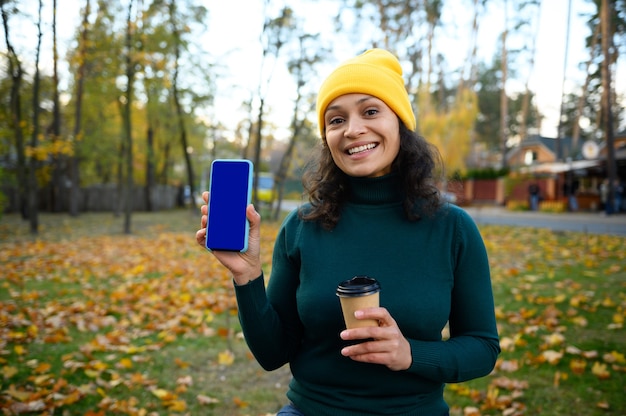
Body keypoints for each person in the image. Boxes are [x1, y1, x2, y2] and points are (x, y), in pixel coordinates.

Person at [196, 48, 500, 416]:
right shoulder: (302, 226)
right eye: (336, 119)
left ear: (400, 123)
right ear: (327, 137)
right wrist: (247, 278)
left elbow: (482, 348)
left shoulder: (453, 228)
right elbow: (272, 354)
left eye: (370, 111)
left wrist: (409, 353)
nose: (353, 129)